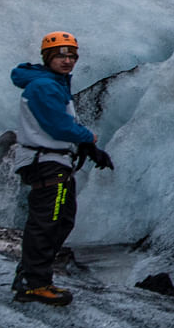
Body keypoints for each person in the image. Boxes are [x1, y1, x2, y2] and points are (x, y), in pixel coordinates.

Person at [10, 31, 114, 305]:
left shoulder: (54, 84)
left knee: (61, 220)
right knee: (48, 221)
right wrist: (87, 138)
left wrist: (89, 149)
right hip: (45, 162)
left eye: (72, 56)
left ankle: (32, 275)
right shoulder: (44, 87)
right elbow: (56, 125)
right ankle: (34, 283)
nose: (67, 61)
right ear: (47, 57)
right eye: (60, 55)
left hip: (54, 161)